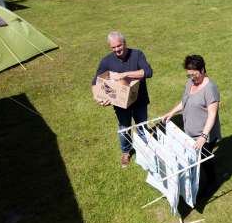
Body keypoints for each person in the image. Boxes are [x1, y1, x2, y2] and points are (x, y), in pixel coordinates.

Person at [160, 54, 221, 197]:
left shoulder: (210, 89)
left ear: (203, 70)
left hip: (204, 135)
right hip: (190, 132)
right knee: (196, 159)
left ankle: (212, 182)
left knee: (204, 160)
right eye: (189, 75)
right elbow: (184, 102)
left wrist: (203, 137)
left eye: (194, 75)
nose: (192, 78)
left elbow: (212, 114)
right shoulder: (190, 83)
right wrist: (171, 112)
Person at [92, 31, 153, 167]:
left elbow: (148, 72)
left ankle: (147, 152)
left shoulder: (137, 54)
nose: (117, 50)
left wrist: (124, 74)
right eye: (113, 47)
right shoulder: (107, 61)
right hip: (120, 104)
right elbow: (96, 81)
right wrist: (100, 97)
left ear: (125, 43)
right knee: (124, 128)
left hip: (139, 100)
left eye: (119, 46)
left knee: (142, 126)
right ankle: (126, 152)